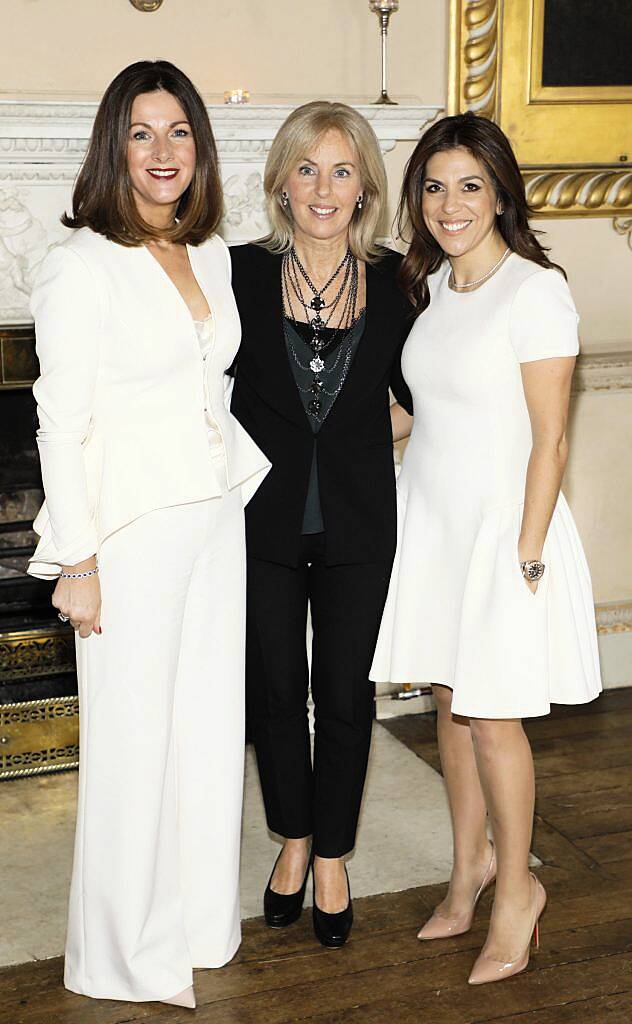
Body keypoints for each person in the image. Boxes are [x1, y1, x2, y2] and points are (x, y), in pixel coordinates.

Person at [27, 60, 269, 1008]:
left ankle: (200, 922)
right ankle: (121, 951)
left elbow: (213, 387)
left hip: (214, 517)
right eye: (141, 133)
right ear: (112, 147)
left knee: (208, 731)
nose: (162, 151)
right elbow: (59, 421)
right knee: (133, 745)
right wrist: (77, 560)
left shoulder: (210, 251)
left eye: (178, 132)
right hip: (127, 532)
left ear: (199, 146)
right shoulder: (80, 265)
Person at [371, 112, 602, 985]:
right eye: (434, 185)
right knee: (450, 709)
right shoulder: (434, 291)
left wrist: (529, 551)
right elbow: (426, 411)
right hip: (434, 523)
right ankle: (469, 868)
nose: (450, 203)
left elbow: (551, 439)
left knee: (494, 719)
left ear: (502, 193)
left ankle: (519, 893)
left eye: (470, 184)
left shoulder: (535, 289)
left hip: (506, 531)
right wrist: (329, 441)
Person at [229, 101, 413, 948]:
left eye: (343, 170)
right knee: (275, 695)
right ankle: (292, 841)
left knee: (344, 695)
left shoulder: (403, 282)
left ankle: (333, 854)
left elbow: (422, 402)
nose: (324, 187)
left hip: (360, 525)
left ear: (366, 186)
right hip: (258, 525)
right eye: (307, 168)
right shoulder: (234, 276)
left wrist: (360, 443)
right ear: (279, 183)